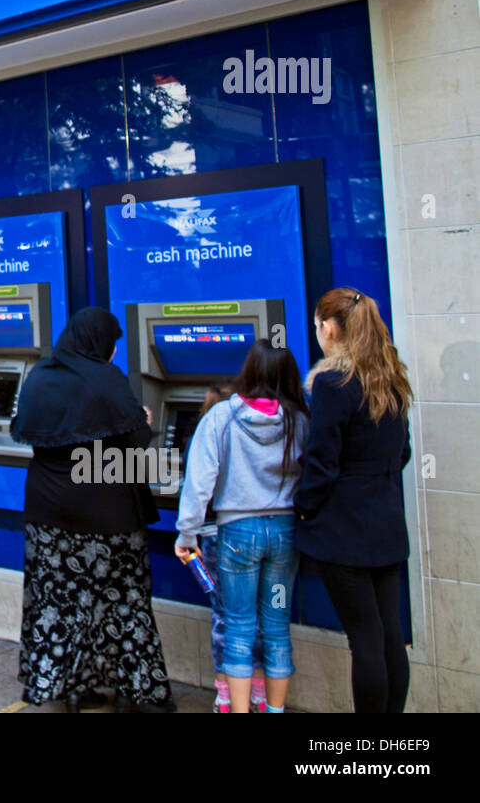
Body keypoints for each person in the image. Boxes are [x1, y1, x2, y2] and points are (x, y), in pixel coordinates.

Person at [12, 307, 175, 713]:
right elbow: (137, 443)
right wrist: (144, 419)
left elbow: (26, 430)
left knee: (57, 602)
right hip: (109, 516)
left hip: (48, 514)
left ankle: (63, 689)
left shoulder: (40, 377)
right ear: (101, 342)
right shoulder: (106, 379)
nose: (115, 352)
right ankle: (137, 692)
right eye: (113, 344)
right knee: (124, 602)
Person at [295, 288, 413, 713]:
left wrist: (305, 505)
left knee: (363, 640)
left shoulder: (332, 383)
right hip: (386, 524)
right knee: (388, 636)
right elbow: (403, 453)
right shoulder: (392, 377)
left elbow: (322, 459)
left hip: (343, 530)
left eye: (316, 327)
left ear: (329, 328)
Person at [175, 343, 310, 713]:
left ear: (249, 373)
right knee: (277, 624)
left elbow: (199, 483)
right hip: (283, 539)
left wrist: (186, 535)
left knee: (237, 625)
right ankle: (274, 710)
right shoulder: (300, 419)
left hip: (237, 538)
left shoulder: (221, 417)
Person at [185, 383, 267, 713]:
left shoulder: (201, 439)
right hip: (255, 534)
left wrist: (186, 536)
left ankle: (225, 696)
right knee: (258, 616)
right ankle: (258, 694)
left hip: (216, 537)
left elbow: (195, 491)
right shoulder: (255, 437)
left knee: (224, 618)